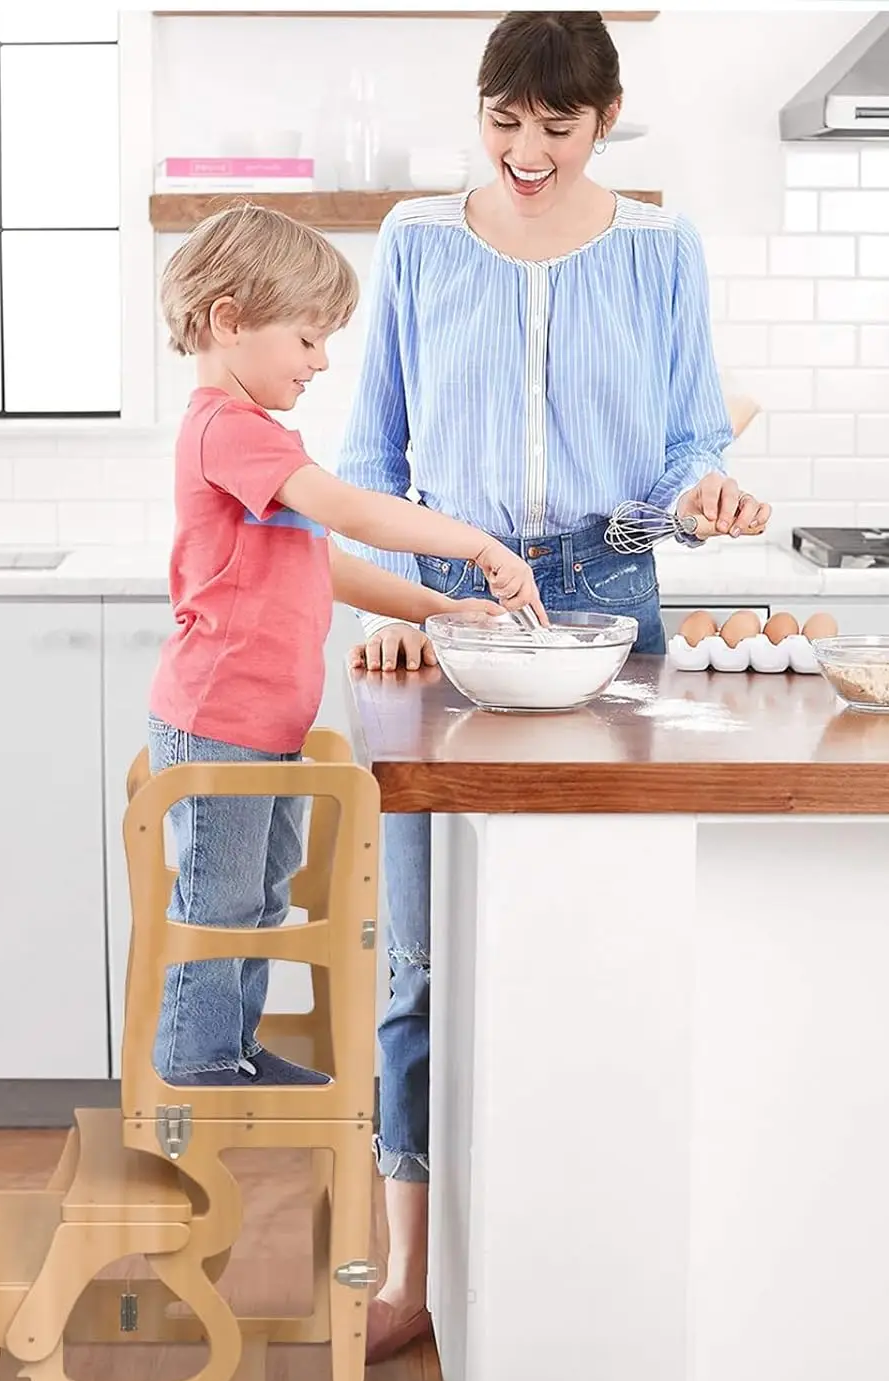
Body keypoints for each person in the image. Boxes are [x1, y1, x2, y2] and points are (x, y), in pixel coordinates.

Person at [334, 10, 772, 1360]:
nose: (527, 150)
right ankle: (410, 1278)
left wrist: (703, 501)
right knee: (414, 955)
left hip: (609, 599)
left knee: (609, 933)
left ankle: (591, 1260)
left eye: (557, 125)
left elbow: (687, 454)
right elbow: (371, 459)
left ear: (608, 116)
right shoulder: (415, 239)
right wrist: (406, 609)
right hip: (449, 604)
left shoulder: (658, 247)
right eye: (504, 119)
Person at [146, 203, 546, 1088]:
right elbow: (353, 511)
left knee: (257, 897)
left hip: (258, 723)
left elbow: (323, 561)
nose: (322, 362)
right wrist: (476, 545)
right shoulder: (228, 429)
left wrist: (439, 606)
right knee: (220, 903)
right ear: (229, 320)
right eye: (308, 339)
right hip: (219, 720)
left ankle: (234, 1048)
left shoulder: (260, 440)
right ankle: (197, 1061)